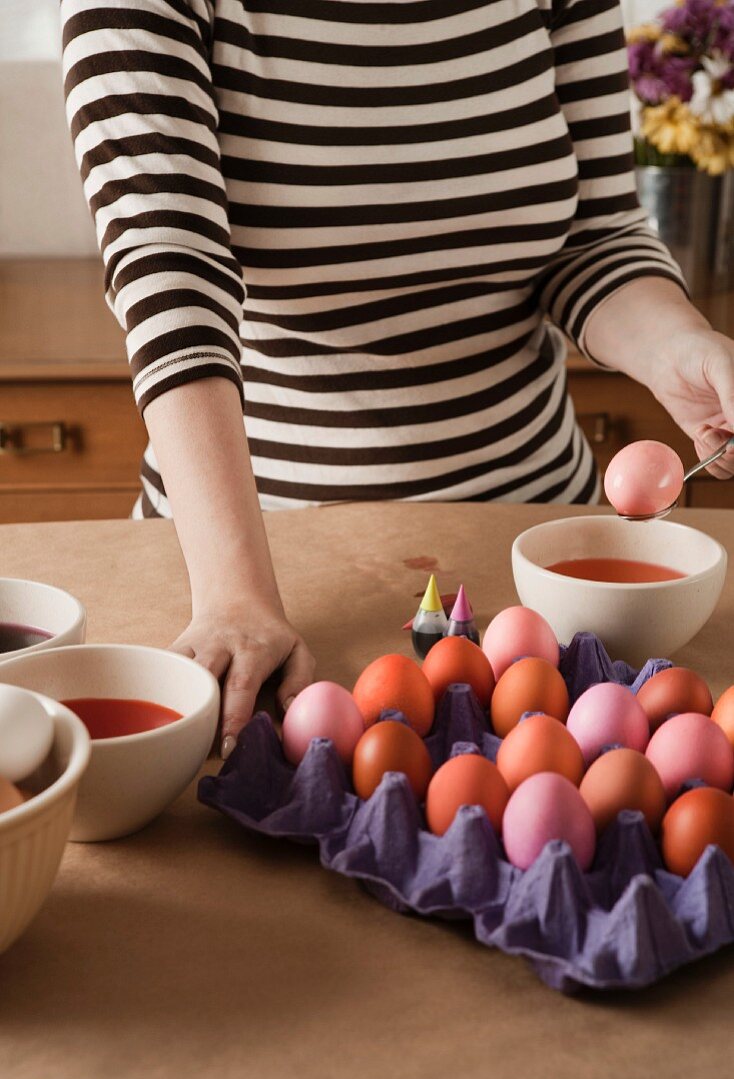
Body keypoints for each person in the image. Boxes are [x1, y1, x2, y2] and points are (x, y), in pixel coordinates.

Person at [61, 0, 734, 754]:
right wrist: (236, 597)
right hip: (248, 570)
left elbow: (595, 234)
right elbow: (169, 273)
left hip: (539, 554)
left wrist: (681, 347)